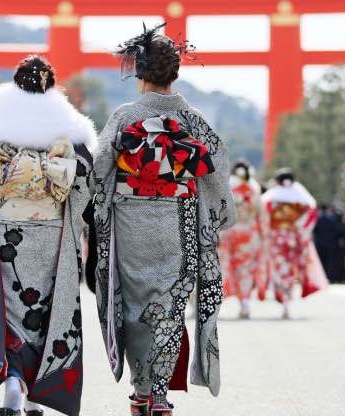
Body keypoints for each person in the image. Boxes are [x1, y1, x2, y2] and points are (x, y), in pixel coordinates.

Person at [91, 24, 235, 416]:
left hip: (130, 222)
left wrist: (96, 209)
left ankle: (142, 390)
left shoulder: (124, 117)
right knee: (170, 307)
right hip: (180, 221)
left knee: (135, 306)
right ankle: (158, 393)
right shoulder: (194, 120)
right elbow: (216, 169)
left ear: (140, 75)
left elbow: (99, 168)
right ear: (174, 73)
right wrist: (215, 216)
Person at [0, 55, 95, 416]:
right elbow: (85, 183)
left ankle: (15, 386)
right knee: (44, 309)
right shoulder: (67, 129)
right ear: (51, 85)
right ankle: (32, 392)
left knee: (11, 308)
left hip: (5, 234)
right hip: (52, 232)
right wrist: (81, 222)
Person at [262, 168, 327, 319]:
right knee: (290, 271)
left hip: (276, 238)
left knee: (279, 269)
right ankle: (287, 301)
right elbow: (310, 216)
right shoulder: (301, 199)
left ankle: (283, 298)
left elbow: (263, 217)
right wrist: (300, 232)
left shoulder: (272, 199)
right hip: (293, 239)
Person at [218, 160, 266, 319]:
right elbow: (261, 213)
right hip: (250, 234)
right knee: (246, 269)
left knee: (227, 267)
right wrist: (263, 235)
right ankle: (245, 301)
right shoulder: (254, 189)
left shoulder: (228, 187)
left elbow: (220, 211)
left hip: (230, 232)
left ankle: (224, 299)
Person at [314, 204, 345, 284]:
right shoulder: (331, 219)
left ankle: (321, 277)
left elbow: (314, 230)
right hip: (330, 244)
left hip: (320, 244)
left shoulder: (318, 219)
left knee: (321, 262)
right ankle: (330, 277)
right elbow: (338, 231)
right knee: (330, 262)